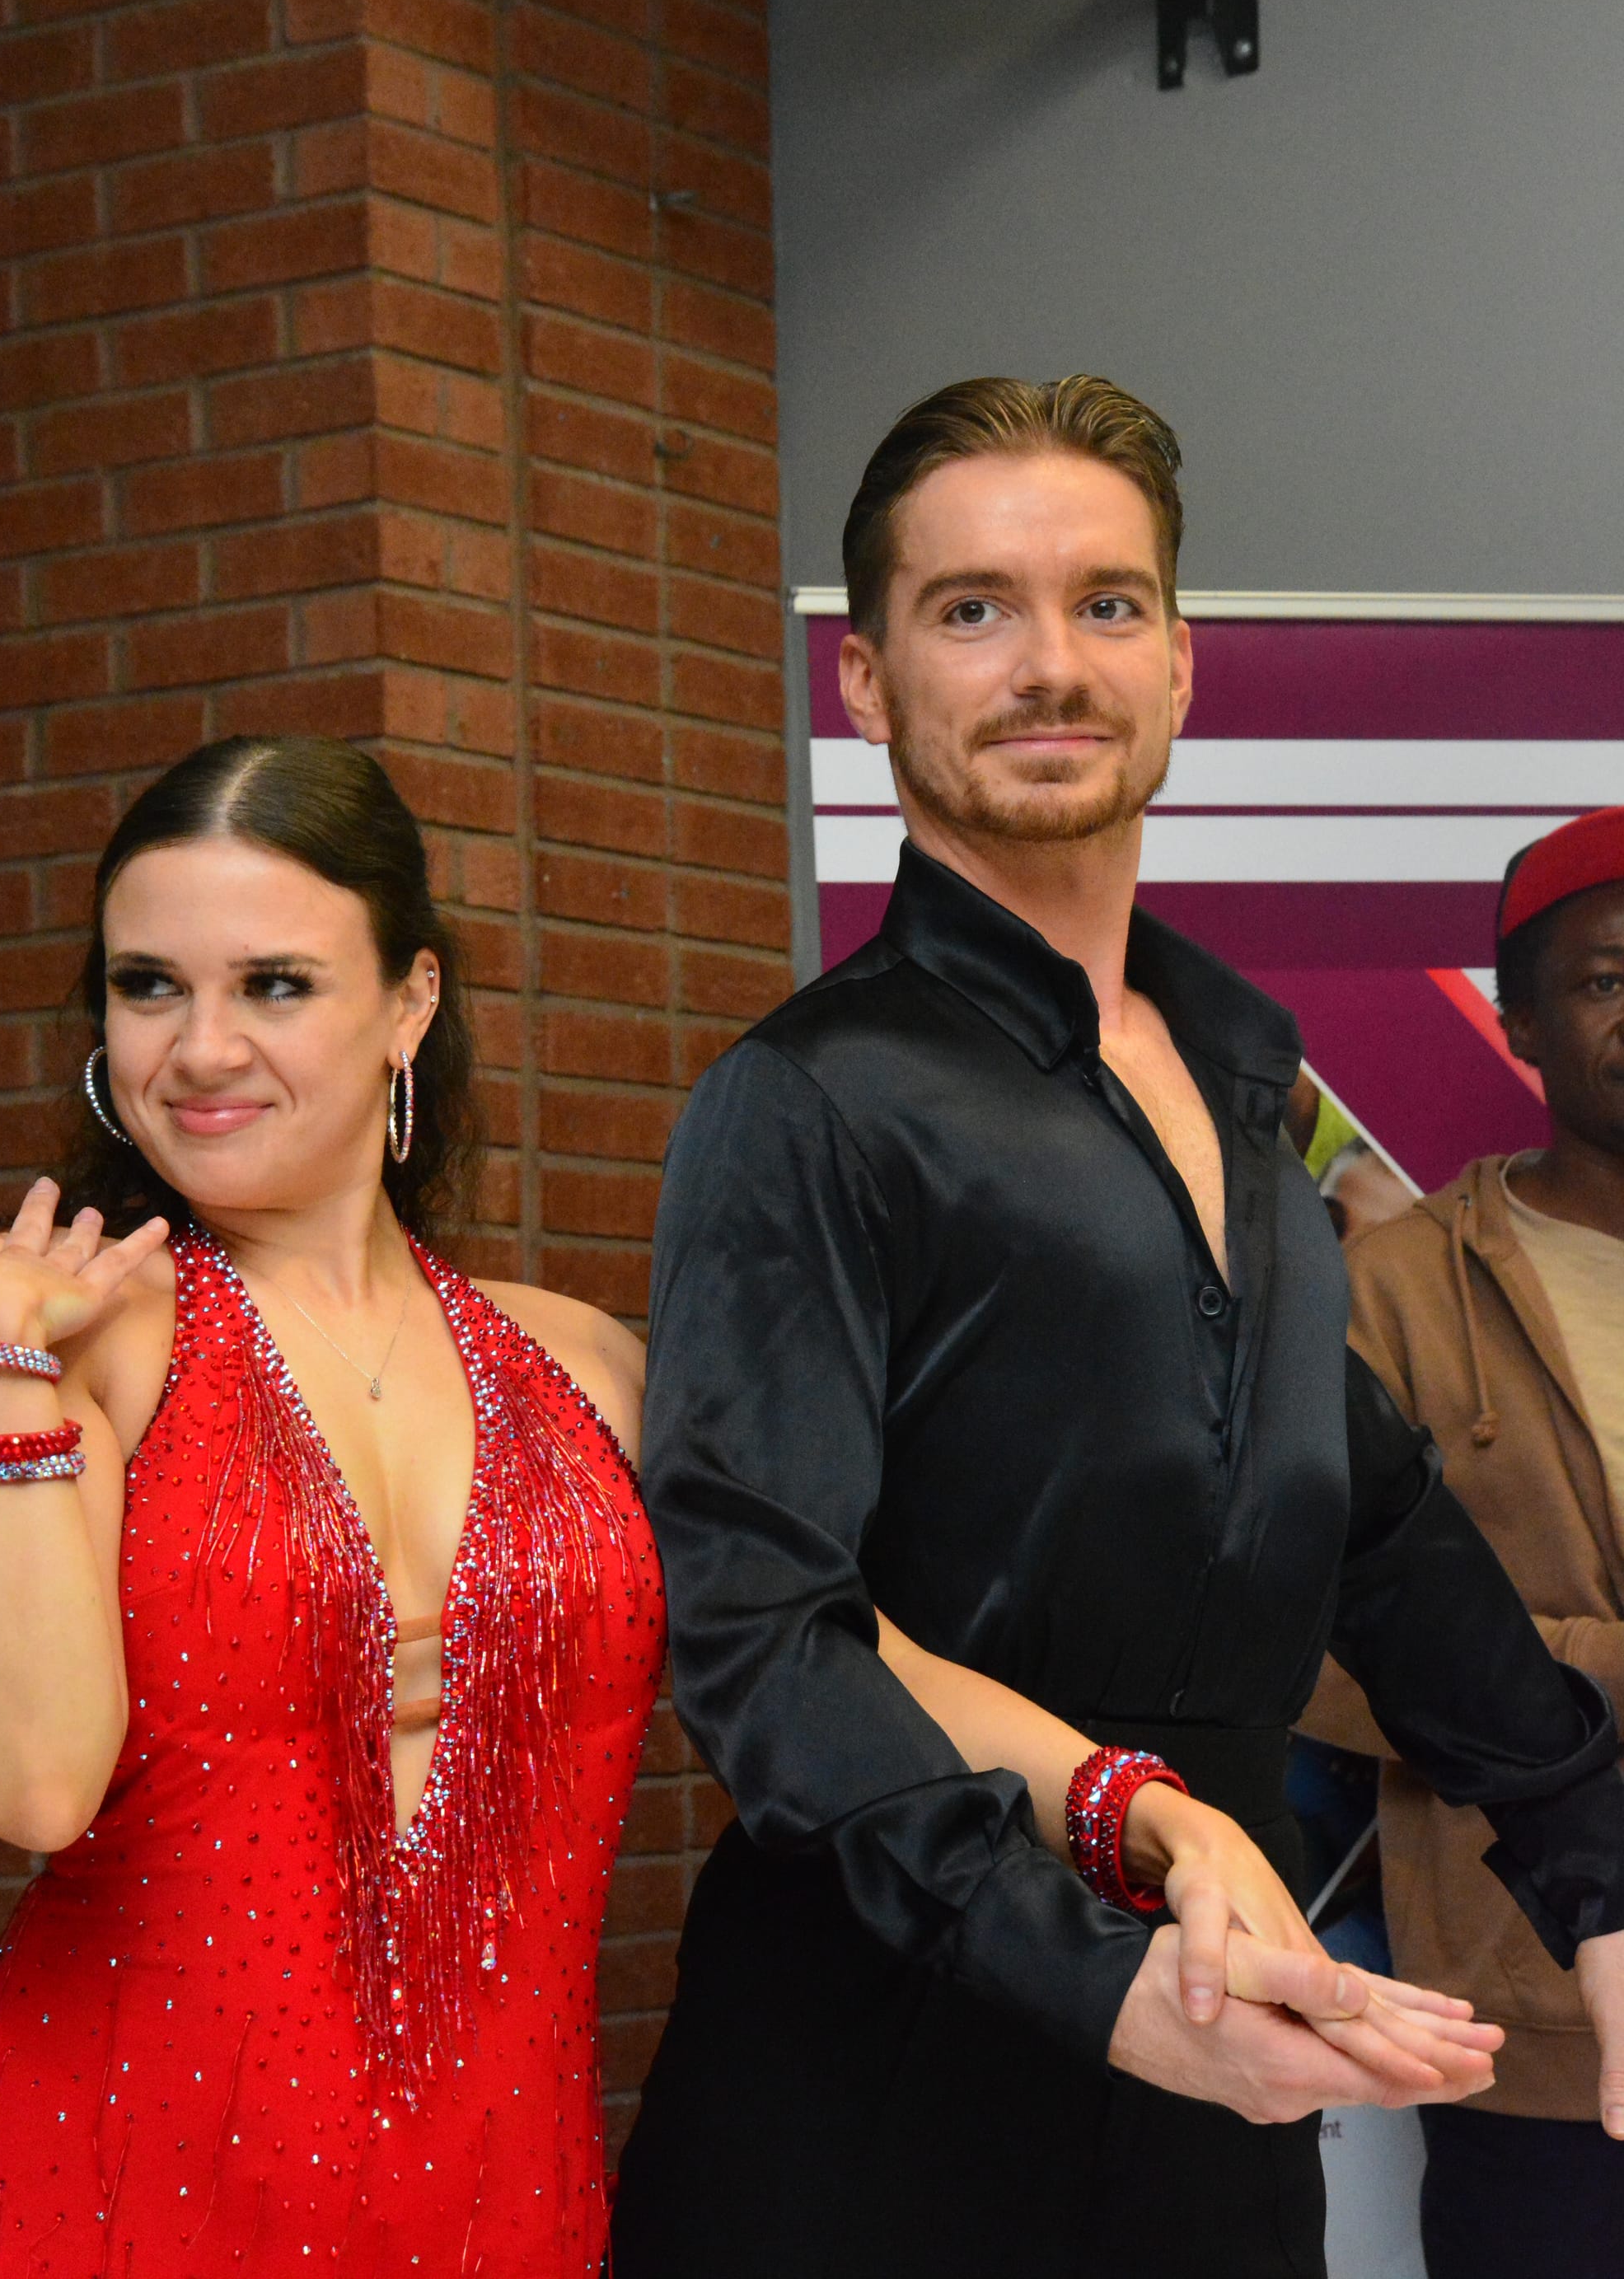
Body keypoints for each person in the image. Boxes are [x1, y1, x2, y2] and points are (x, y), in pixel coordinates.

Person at [609, 376, 1624, 2279]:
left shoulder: (1244, 1080)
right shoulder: (809, 1099)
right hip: (882, 2081)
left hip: (1220, 2080)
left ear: (1177, 664)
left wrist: (1596, 1879)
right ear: (865, 682)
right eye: (971, 609)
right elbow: (757, 1633)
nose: (1048, 665)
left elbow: (1373, 1523)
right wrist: (1104, 1981)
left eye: (1104, 603)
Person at [0, 737, 665, 2276]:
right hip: (101, 2199)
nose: (200, 1048)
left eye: (274, 985)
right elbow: (35, 1791)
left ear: (411, 1003)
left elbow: (828, 1662)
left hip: (504, 2212)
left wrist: (1116, 1802)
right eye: (149, 987)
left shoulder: (587, 1365)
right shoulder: (73, 1349)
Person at [1303, 807, 1624, 2279]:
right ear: (1520, 1024)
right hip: (1535, 2020)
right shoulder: (1394, 1292)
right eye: (1606, 980)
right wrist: (1591, 1674)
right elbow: (1306, 1638)